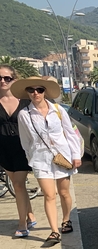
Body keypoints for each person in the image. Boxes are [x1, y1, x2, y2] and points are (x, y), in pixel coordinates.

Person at [14, 76, 82, 246]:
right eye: (31, 90)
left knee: (64, 193)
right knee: (49, 195)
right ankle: (54, 231)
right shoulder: (24, 115)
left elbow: (70, 133)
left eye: (39, 90)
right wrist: (32, 159)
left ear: (45, 92)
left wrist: (75, 156)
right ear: (27, 93)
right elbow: (25, 141)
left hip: (62, 156)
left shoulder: (58, 110)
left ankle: (66, 220)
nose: (35, 93)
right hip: (40, 159)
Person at [0, 64, 37, 238]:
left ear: (14, 80)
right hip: (2, 149)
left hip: (22, 148)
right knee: (17, 184)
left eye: (7, 78)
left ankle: (22, 224)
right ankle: (30, 215)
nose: (2, 81)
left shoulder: (25, 100)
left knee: (18, 185)